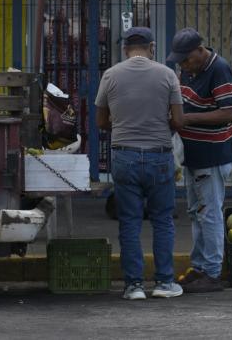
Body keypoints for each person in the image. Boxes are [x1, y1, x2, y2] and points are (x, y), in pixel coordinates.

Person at [96, 27, 184, 300]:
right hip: (159, 155)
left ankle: (134, 286)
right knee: (162, 221)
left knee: (130, 222)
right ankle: (164, 283)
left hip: (125, 155)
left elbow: (101, 121)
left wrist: (125, 124)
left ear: (125, 49)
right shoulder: (168, 75)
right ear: (152, 47)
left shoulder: (111, 75)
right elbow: (179, 121)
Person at [168, 28, 232, 293]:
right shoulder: (188, 70)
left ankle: (212, 272)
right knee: (195, 214)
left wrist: (187, 119)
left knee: (209, 215)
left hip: (212, 154)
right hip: (192, 154)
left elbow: (230, 113)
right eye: (180, 61)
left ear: (200, 50)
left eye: (187, 59)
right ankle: (199, 268)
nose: (184, 65)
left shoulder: (219, 69)